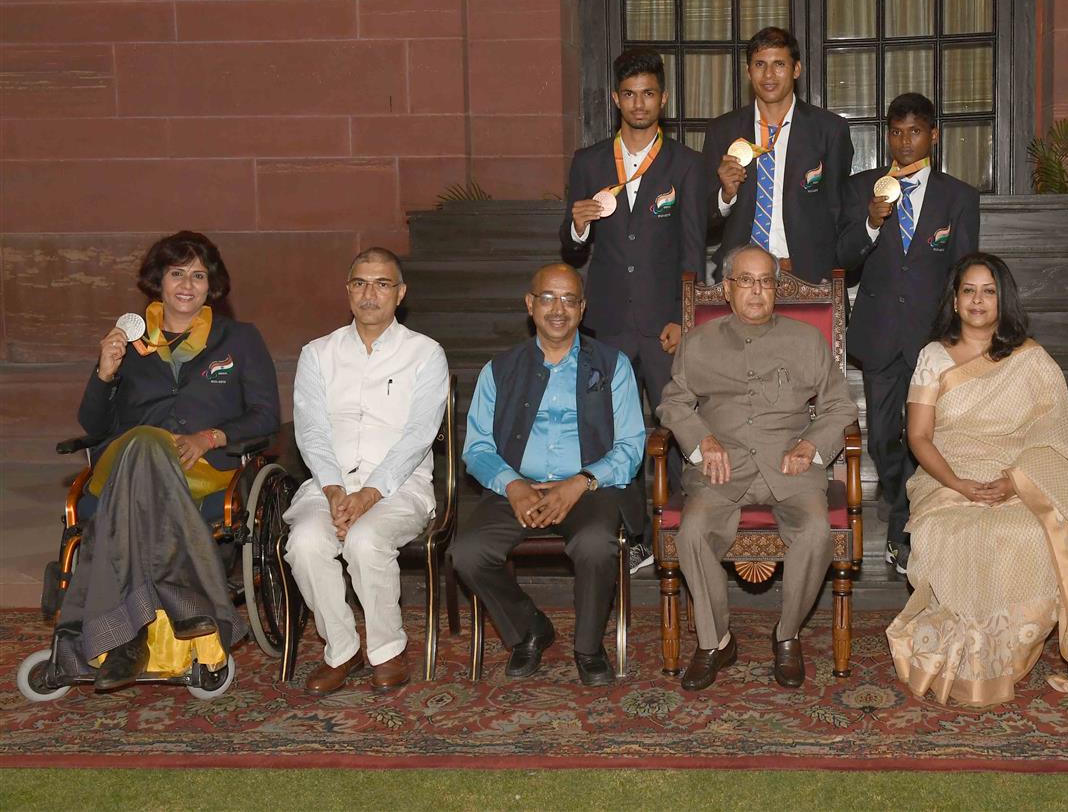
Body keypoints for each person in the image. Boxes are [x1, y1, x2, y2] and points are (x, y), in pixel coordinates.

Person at [886, 253, 1068, 707]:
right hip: (947, 473)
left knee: (1029, 531)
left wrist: (1015, 479)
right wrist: (960, 484)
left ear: (1004, 298)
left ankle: (1003, 656)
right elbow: (920, 437)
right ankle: (966, 659)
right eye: (969, 291)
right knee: (954, 534)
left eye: (989, 291)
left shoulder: (1031, 359)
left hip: (1018, 474)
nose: (978, 300)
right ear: (955, 298)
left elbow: (1054, 434)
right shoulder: (933, 357)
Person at [58, 231, 280, 691]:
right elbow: (92, 424)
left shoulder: (238, 339)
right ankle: (187, 601)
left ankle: (125, 639)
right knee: (144, 441)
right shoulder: (129, 342)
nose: (187, 284)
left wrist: (211, 435)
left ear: (211, 285)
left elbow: (266, 416)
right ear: (157, 280)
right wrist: (104, 372)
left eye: (198, 275)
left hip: (201, 470)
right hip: (122, 465)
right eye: (177, 272)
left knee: (147, 463)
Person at [657, 244, 858, 691]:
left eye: (766, 281)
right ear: (728, 289)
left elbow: (840, 407)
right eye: (745, 281)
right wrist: (701, 441)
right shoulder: (698, 343)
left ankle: (787, 635)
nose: (756, 291)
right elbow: (673, 404)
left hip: (790, 467)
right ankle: (715, 642)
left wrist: (811, 444)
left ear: (777, 289)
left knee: (815, 531)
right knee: (692, 532)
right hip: (720, 469)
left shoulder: (807, 341)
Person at [454, 264, 645, 687]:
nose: (558, 309)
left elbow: (631, 446)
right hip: (517, 486)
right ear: (530, 304)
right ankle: (528, 629)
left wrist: (581, 482)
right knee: (467, 553)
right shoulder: (498, 370)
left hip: (590, 487)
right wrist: (513, 484)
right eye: (547, 298)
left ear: (583, 308)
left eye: (569, 299)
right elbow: (478, 447)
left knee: (595, 544)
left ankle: (589, 647)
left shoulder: (613, 365)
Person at [561, 48, 708, 574]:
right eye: (629, 95)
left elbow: (694, 252)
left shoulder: (686, 164)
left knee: (676, 430)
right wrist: (578, 225)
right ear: (616, 100)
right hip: (606, 323)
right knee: (610, 432)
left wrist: (683, 318)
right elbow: (575, 248)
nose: (639, 103)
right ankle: (634, 535)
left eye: (648, 93)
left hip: (663, 324)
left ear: (662, 99)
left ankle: (683, 529)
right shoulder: (589, 161)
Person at [285, 247, 449, 696]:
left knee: (364, 538)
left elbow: (419, 433)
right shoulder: (318, 354)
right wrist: (335, 489)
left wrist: (370, 493)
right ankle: (341, 649)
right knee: (304, 541)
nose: (369, 294)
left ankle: (388, 650)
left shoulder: (425, 353)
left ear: (400, 293)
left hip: (400, 487)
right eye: (360, 283)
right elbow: (311, 428)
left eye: (382, 284)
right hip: (328, 484)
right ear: (348, 291)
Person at [836, 92, 979, 576]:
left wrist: (959, 337)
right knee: (882, 437)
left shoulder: (958, 197)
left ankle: (904, 525)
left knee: (926, 433)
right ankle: (898, 495)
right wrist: (872, 225)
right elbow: (845, 256)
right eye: (896, 132)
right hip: (878, 334)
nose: (904, 141)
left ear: (932, 135)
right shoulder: (862, 190)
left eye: (914, 132)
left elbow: (962, 270)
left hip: (931, 338)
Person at [703, 27, 853, 284]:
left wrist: (825, 269)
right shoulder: (722, 130)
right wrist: (725, 196)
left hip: (806, 277)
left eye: (779, 64)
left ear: (796, 70)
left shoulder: (829, 129)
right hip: (739, 280)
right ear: (748, 71)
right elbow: (701, 219)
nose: (769, 75)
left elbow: (838, 210)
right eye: (760, 64)